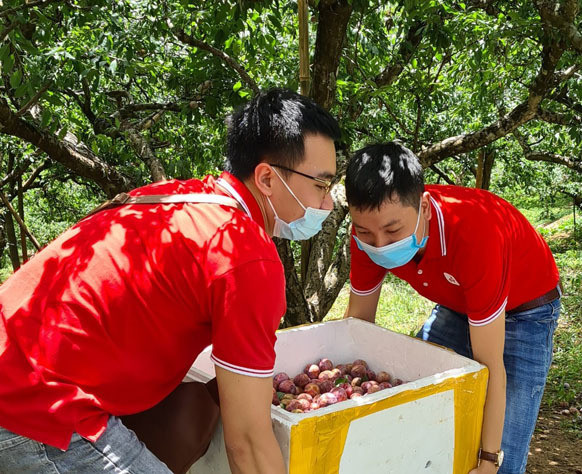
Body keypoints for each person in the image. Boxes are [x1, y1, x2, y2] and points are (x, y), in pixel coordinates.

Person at [0, 88, 340, 473]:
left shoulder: (177, 197)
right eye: (320, 185)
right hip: (35, 404)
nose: (327, 204)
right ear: (266, 178)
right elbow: (248, 442)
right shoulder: (246, 256)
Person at [344, 142, 561, 474]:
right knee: (415, 407)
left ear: (425, 208)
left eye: (393, 231)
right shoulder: (367, 236)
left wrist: (489, 461)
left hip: (525, 310)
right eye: (365, 233)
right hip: (457, 303)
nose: (379, 245)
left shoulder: (476, 235)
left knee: (504, 455)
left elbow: (491, 369)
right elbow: (359, 328)